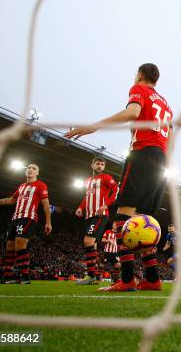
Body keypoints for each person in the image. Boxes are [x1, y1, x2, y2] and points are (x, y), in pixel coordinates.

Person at [65, 63, 172, 292]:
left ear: (140, 75)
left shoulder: (138, 89)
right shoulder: (165, 103)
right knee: (144, 222)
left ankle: (127, 279)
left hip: (142, 154)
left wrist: (93, 126)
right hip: (160, 159)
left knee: (122, 218)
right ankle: (152, 279)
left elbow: (132, 112)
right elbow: (169, 135)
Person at [0, 163, 52, 284]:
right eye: (29, 168)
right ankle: (7, 277)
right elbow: (10, 200)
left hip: (28, 217)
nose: (30, 170)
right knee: (10, 247)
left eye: (34, 169)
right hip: (15, 218)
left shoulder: (40, 185)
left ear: (37, 173)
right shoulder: (21, 186)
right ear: (25, 171)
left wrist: (48, 222)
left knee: (19, 245)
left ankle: (26, 278)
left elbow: (46, 204)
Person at [75, 157, 118, 285]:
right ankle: (93, 278)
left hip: (100, 214)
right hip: (89, 215)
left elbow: (116, 190)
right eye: (97, 163)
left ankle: (91, 276)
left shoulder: (106, 177)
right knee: (91, 244)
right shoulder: (87, 181)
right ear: (92, 165)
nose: (100, 166)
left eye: (102, 164)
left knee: (87, 241)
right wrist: (80, 207)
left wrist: (106, 205)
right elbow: (87, 196)